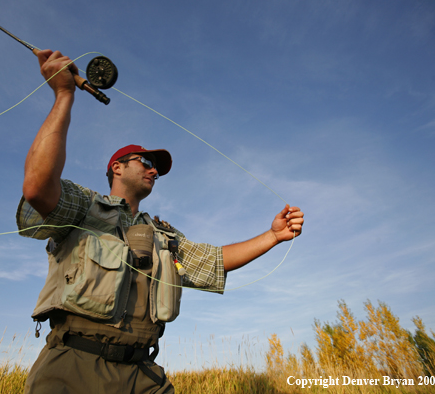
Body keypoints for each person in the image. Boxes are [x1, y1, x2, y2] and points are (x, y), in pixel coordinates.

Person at [17, 50, 305, 394]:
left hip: (143, 372)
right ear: (117, 168)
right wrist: (64, 95)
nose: (154, 170)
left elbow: (212, 261)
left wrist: (273, 236)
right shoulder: (84, 205)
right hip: (72, 366)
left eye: (157, 167)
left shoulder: (164, 235)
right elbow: (37, 188)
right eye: (145, 161)